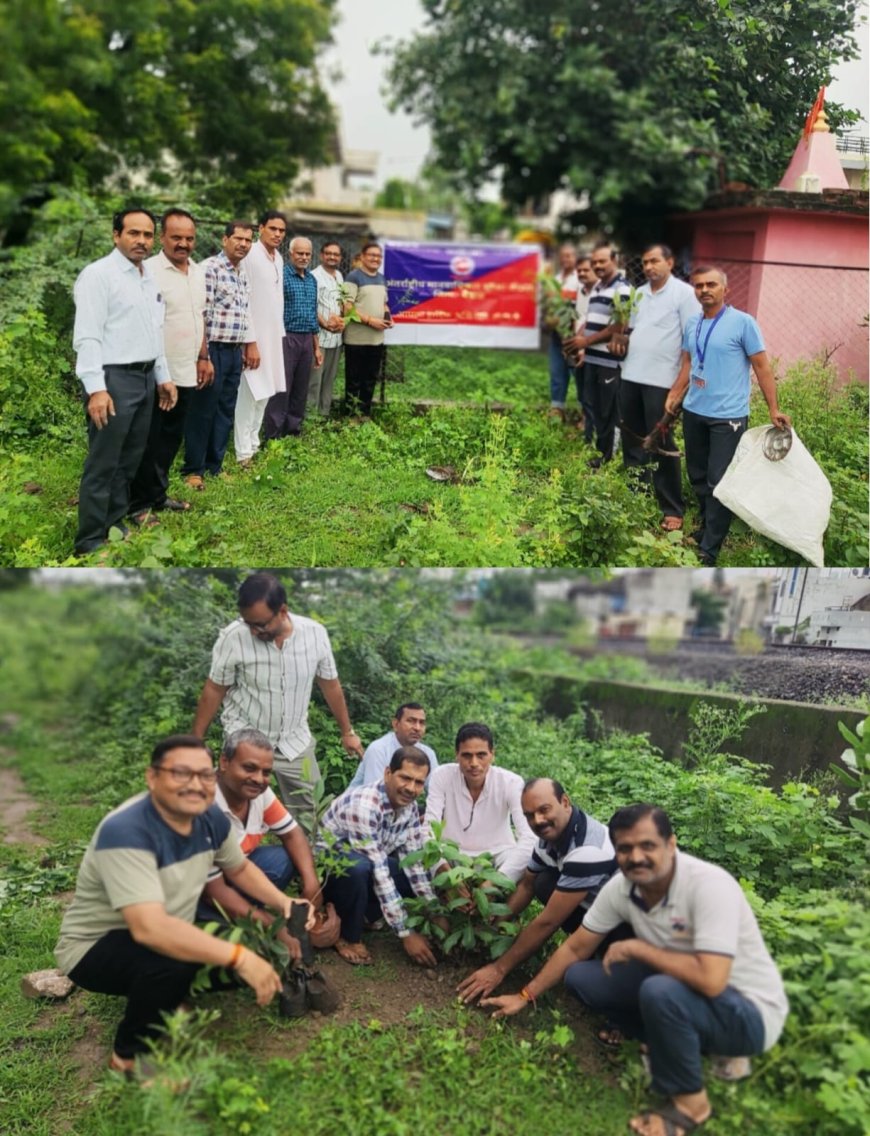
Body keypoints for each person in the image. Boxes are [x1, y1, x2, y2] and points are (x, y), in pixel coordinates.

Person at [483, 803, 789, 1136]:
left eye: (648, 846)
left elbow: (712, 980)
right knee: (582, 977)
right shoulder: (623, 888)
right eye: (625, 848)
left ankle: (691, 1106)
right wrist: (525, 995)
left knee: (660, 991)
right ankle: (666, 1039)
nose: (636, 857)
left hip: (750, 1011)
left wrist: (638, 948)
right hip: (682, 985)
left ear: (670, 845)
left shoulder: (708, 886)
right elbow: (576, 946)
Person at [54, 734, 314, 1074]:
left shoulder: (210, 819)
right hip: (95, 946)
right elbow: (151, 929)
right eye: (181, 774)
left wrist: (283, 901)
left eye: (204, 775)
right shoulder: (126, 831)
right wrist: (239, 957)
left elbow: (239, 868)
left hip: (171, 924)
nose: (195, 785)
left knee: (252, 948)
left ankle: (168, 997)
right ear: (153, 777)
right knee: (175, 959)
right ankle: (128, 1056)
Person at [191, 571, 364, 831]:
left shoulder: (315, 634)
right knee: (235, 812)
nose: (254, 631)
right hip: (246, 738)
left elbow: (330, 684)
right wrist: (194, 741)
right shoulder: (233, 637)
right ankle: (236, 858)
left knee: (312, 814)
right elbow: (215, 688)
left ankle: (311, 864)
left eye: (260, 625)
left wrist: (347, 732)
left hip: (296, 741)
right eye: (248, 623)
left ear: (282, 611)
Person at [665, 267, 792, 565]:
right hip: (695, 411)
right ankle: (708, 526)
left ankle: (710, 548)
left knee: (717, 480)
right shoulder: (693, 323)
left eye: (711, 284)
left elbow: (762, 367)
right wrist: (675, 394)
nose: (704, 289)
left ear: (725, 289)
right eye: (699, 285)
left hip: (728, 417)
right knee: (697, 475)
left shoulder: (743, 323)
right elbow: (688, 363)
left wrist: (774, 408)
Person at [71, 207, 177, 555]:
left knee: (130, 458)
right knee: (104, 462)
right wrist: (96, 388)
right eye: (134, 233)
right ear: (116, 235)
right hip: (113, 379)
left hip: (145, 379)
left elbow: (154, 332)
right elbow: (87, 336)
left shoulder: (147, 278)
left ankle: (114, 523)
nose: (142, 241)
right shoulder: (98, 276)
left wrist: (163, 377)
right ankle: (89, 540)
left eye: (148, 234)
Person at [457, 778, 616, 1004]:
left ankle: (605, 962)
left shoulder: (587, 851)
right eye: (529, 815)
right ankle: (591, 949)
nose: (537, 821)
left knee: (578, 977)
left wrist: (499, 968)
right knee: (543, 881)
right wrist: (492, 928)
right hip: (598, 907)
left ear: (565, 802)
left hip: (629, 928)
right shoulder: (550, 836)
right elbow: (527, 885)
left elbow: (547, 922)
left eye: (544, 810)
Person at [198, 729, 323, 954]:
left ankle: (247, 912)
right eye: (249, 768)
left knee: (285, 858)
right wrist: (273, 926)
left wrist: (311, 884)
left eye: (266, 772)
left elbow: (293, 834)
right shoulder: (203, 807)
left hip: (234, 871)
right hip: (196, 890)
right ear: (224, 762)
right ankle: (235, 921)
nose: (258, 779)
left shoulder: (259, 794)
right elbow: (212, 891)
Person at [319, 745, 443, 967]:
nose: (411, 788)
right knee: (360, 867)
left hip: (368, 860)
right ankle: (347, 934)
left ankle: (365, 915)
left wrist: (433, 911)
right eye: (405, 778)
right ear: (388, 773)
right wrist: (406, 933)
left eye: (418, 782)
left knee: (404, 871)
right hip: (328, 872)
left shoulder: (411, 808)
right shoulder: (365, 805)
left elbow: (414, 864)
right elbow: (379, 871)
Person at [126, 209, 211, 523]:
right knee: (148, 439)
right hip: (155, 375)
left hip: (186, 369)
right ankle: (136, 505)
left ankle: (157, 495)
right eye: (176, 237)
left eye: (189, 238)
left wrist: (203, 357)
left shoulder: (199, 272)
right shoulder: (146, 272)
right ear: (162, 237)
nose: (183, 244)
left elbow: (198, 316)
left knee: (171, 437)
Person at [618, 244, 701, 533]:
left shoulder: (685, 295)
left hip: (662, 382)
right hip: (631, 375)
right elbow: (631, 330)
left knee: (662, 444)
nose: (650, 266)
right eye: (645, 262)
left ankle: (672, 508)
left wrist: (679, 386)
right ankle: (636, 495)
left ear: (670, 261)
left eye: (655, 261)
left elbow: (691, 345)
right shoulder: (639, 294)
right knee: (632, 439)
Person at [182, 220, 259, 491]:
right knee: (203, 410)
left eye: (248, 240)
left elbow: (244, 312)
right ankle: (193, 469)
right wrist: (203, 356)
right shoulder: (209, 269)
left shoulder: (241, 273)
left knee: (225, 410)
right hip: (212, 350)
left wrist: (248, 344)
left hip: (234, 351)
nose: (243, 244)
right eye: (238, 238)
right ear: (224, 240)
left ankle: (214, 466)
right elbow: (200, 313)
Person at [423, 722, 535, 883]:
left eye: (481, 755)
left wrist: (496, 882)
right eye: (467, 755)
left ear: (492, 754)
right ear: (457, 755)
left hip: (497, 857)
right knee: (422, 852)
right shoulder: (442, 776)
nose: (474, 763)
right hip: (451, 855)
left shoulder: (511, 782)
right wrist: (446, 874)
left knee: (527, 866)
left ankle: (505, 907)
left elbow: (529, 838)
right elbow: (428, 829)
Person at [568, 243, 632, 466]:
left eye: (601, 261)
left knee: (608, 409)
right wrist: (582, 344)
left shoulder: (622, 289)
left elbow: (619, 327)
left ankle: (608, 457)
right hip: (592, 358)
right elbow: (593, 321)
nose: (597, 266)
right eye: (594, 262)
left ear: (614, 260)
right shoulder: (597, 288)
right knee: (593, 405)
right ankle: (601, 452)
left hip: (609, 360)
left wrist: (585, 341)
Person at [234, 211, 288, 468]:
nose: (277, 234)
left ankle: (254, 444)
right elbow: (244, 300)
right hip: (253, 338)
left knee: (265, 392)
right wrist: (250, 341)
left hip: (273, 336)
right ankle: (242, 452)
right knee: (249, 394)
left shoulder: (278, 258)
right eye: (273, 229)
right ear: (261, 228)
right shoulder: (250, 255)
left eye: (282, 230)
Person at [264, 236, 321, 439]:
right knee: (282, 387)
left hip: (307, 338)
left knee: (300, 388)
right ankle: (273, 434)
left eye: (307, 254)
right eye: (300, 253)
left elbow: (313, 313)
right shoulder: (281, 277)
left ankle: (293, 431)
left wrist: (316, 346)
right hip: (286, 337)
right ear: (291, 254)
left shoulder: (313, 280)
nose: (304, 257)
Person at [342, 242, 393, 417]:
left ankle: (364, 415)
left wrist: (388, 316)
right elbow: (347, 308)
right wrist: (371, 321)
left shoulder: (381, 278)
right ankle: (349, 416)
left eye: (378, 256)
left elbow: (384, 303)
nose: (375, 259)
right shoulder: (353, 277)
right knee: (354, 381)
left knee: (370, 380)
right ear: (362, 257)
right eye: (371, 255)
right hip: (356, 339)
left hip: (376, 340)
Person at [347, 702, 438, 790]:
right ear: (395, 724)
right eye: (411, 721)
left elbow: (436, 790)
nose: (417, 728)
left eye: (421, 723)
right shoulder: (379, 750)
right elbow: (375, 793)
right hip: (360, 803)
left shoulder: (428, 754)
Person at [308, 240, 346, 417]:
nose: (332, 257)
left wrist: (344, 321)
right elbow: (312, 308)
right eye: (328, 253)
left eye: (336, 254)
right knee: (314, 382)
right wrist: (326, 325)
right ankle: (309, 418)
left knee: (329, 381)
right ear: (321, 255)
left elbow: (341, 304)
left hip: (336, 340)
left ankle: (323, 416)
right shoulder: (314, 276)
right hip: (320, 339)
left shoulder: (339, 275)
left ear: (340, 258)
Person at [547, 244, 579, 419]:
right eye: (563, 256)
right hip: (556, 333)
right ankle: (557, 407)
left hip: (573, 335)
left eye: (569, 256)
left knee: (577, 372)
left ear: (575, 257)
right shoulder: (556, 279)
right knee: (557, 370)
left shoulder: (579, 279)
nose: (566, 259)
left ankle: (585, 412)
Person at [572, 256, 599, 442]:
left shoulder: (602, 293)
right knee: (583, 395)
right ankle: (588, 435)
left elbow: (593, 323)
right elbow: (578, 318)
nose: (582, 273)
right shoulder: (580, 291)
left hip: (594, 351)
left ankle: (595, 438)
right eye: (579, 270)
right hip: (579, 349)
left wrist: (583, 349)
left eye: (586, 270)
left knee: (593, 398)